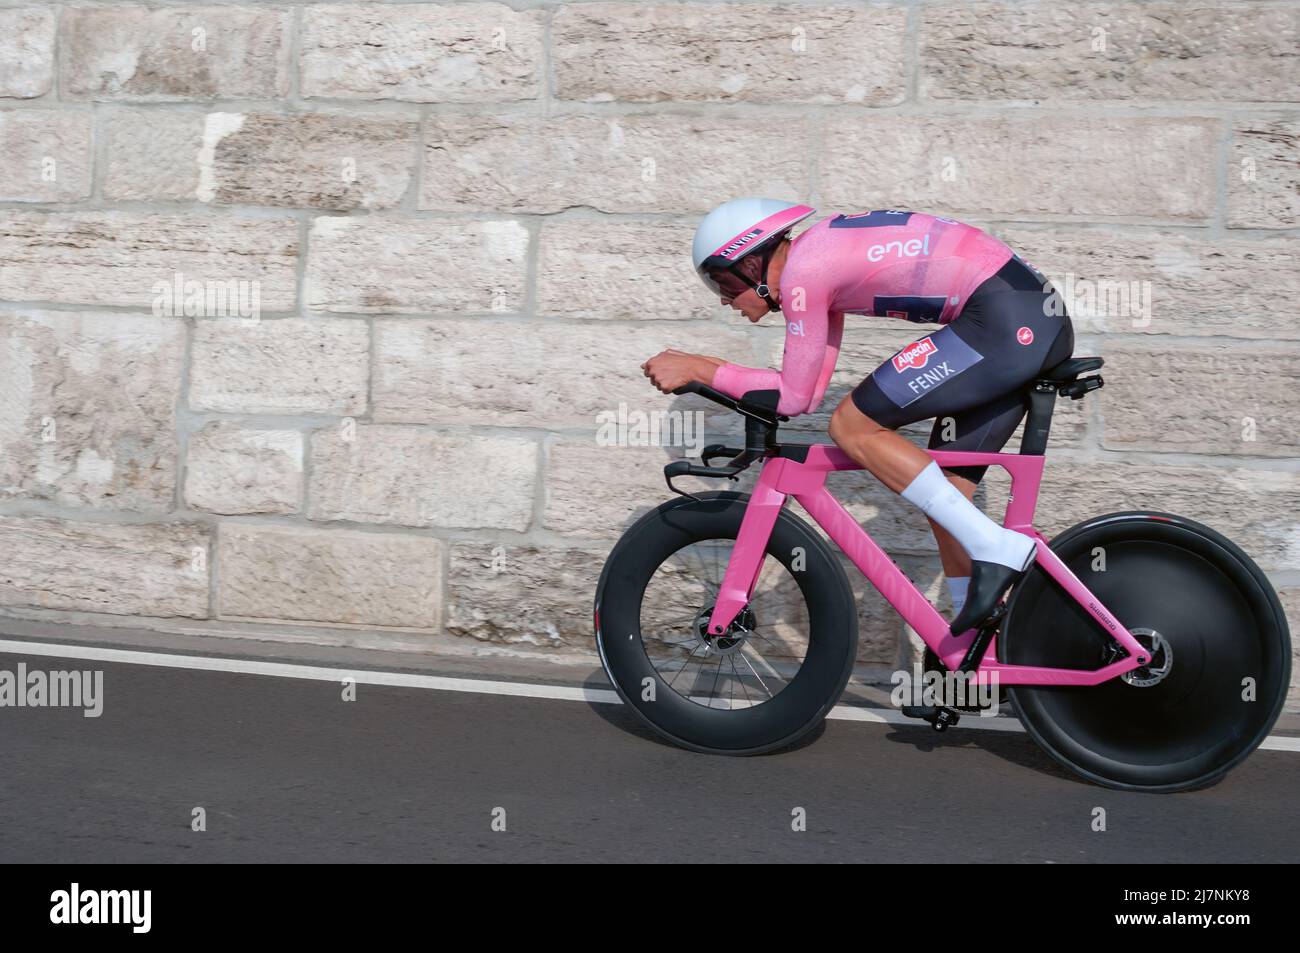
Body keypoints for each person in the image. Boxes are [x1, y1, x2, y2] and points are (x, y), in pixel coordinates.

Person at [642, 197, 1074, 635]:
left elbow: (790, 399)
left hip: (1006, 322)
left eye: (722, 283)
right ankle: (977, 647)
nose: (723, 300)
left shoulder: (803, 275)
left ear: (750, 264)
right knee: (946, 499)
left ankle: (997, 547)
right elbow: (805, 394)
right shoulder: (815, 263)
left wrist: (702, 368)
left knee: (850, 425)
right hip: (1023, 316)